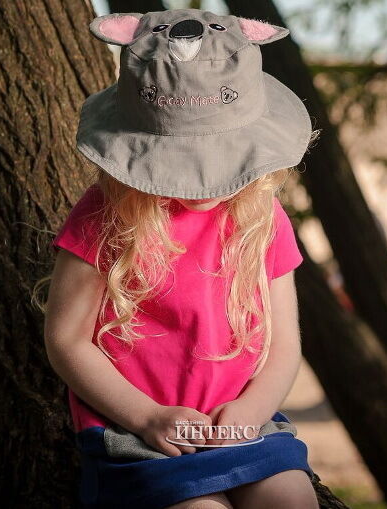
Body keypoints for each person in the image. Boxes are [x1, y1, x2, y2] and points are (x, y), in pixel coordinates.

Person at [40, 8, 319, 509]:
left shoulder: (263, 217)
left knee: (291, 499)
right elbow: (66, 338)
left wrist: (251, 412)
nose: (206, 181)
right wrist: (147, 416)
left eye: (222, 158)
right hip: (140, 432)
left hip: (242, 424)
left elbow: (284, 344)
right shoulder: (106, 216)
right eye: (186, 161)